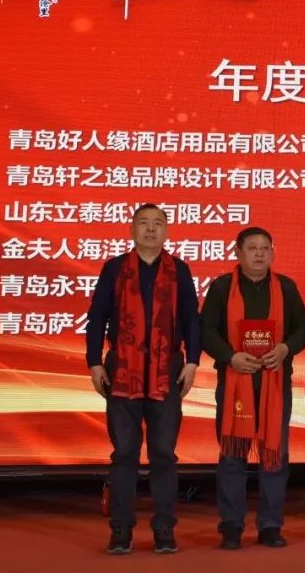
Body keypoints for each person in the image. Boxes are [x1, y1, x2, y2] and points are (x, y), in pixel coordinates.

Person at [85, 203, 201, 555]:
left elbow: (191, 319)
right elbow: (97, 318)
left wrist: (193, 362)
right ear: (132, 229)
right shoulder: (115, 268)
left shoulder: (178, 269)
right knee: (124, 454)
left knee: (164, 453)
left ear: (167, 231)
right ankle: (121, 530)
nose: (151, 229)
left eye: (158, 223)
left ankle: (164, 529)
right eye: (144, 223)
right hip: (123, 369)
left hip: (168, 370)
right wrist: (94, 363)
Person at [201, 226, 305, 549]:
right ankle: (231, 526)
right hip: (235, 385)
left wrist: (285, 349)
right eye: (252, 248)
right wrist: (230, 356)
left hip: (274, 384)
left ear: (273, 253)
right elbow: (206, 331)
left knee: (274, 456)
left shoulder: (285, 287)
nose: (259, 254)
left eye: (265, 248)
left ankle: (271, 526)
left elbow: (303, 328)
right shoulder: (222, 288)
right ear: (238, 253)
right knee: (232, 456)